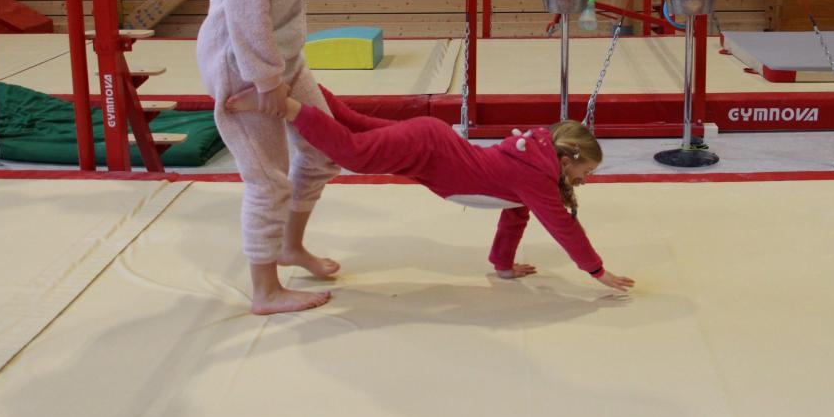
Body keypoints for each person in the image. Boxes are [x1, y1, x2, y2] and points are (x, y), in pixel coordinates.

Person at [196, 0, 370, 314]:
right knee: (268, 179)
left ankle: (291, 246)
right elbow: (244, 5)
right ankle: (265, 290)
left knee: (323, 151)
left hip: (282, 53)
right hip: (242, 63)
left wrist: (280, 67)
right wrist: (265, 79)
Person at [226, 84, 636, 292]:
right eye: (586, 172)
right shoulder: (537, 177)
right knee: (354, 153)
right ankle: (287, 104)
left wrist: (503, 265)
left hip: (432, 141)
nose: (585, 180)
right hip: (427, 151)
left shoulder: (533, 166)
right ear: (566, 160)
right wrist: (598, 271)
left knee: (354, 124)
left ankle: (302, 85)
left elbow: (514, 216)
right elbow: (565, 228)